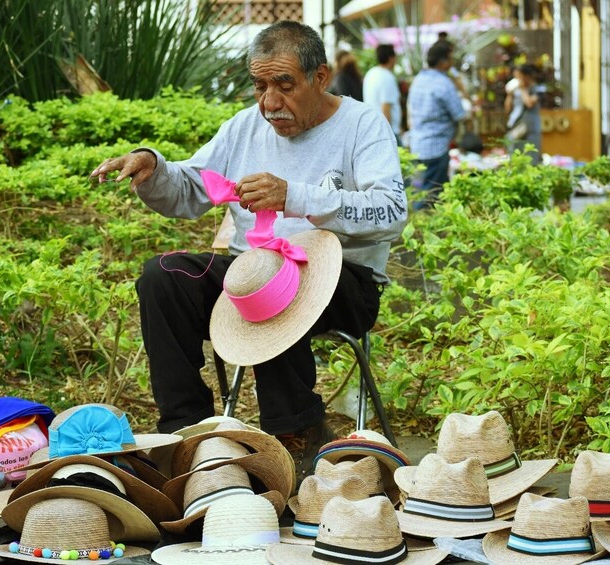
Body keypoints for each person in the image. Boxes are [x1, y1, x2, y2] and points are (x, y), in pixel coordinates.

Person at [89, 21, 407, 486]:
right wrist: (153, 167)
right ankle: (185, 435)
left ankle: (297, 430)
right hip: (255, 269)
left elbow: (392, 211)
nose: (270, 103)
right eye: (260, 86)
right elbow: (190, 188)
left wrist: (295, 197)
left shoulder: (361, 126)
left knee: (276, 280)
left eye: (284, 85)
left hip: (345, 280)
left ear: (320, 78)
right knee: (164, 275)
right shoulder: (243, 128)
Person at [406, 41, 467, 209]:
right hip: (437, 147)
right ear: (443, 61)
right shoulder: (444, 83)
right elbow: (460, 114)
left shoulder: (418, 79)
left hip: (417, 144)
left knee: (423, 191)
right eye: (450, 58)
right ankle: (421, 230)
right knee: (431, 195)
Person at [362, 44, 402, 144]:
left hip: (372, 128)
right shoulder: (387, 77)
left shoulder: (371, 73)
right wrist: (387, 136)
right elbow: (386, 107)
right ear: (391, 58)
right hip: (388, 132)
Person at [504, 63, 542, 165]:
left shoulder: (536, 89)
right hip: (517, 125)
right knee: (513, 148)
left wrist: (522, 89)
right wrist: (509, 95)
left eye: (519, 76)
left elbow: (529, 103)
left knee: (531, 156)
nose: (517, 79)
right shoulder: (516, 90)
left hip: (530, 127)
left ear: (527, 76)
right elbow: (508, 108)